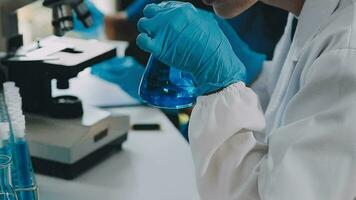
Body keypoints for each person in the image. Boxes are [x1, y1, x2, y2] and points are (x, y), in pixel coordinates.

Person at [136, 0, 356, 199]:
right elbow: (296, 108)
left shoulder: (347, 50)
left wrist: (221, 87)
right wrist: (255, 75)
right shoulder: (309, 15)